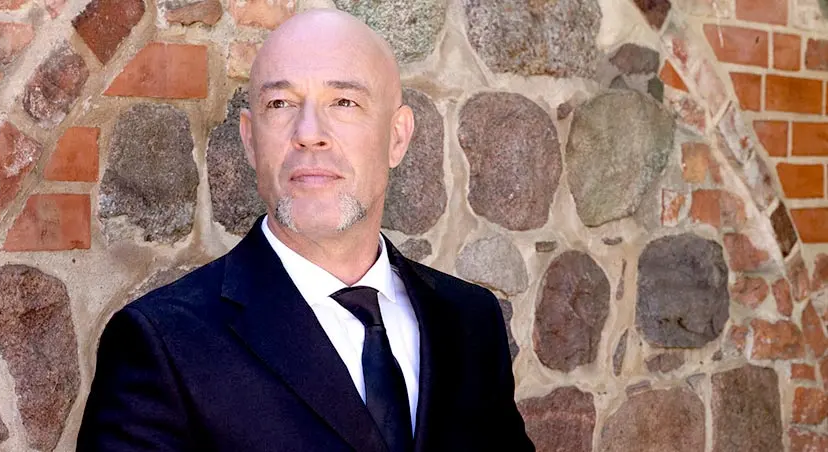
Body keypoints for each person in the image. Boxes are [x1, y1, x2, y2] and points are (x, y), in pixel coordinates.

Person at [77, 8, 534, 451]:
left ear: (397, 136)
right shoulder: (163, 344)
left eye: (344, 101)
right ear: (250, 139)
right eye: (281, 103)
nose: (309, 133)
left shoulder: (470, 321)